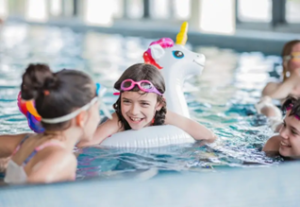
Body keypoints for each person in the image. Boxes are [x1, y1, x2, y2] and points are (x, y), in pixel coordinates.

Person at [0, 63, 102, 184]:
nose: (98, 118)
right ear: (82, 117)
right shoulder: (61, 159)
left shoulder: (25, 141)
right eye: (98, 110)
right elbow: (27, 201)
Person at [78, 63, 217, 147]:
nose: (134, 111)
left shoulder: (165, 116)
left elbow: (209, 136)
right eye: (127, 101)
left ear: (159, 104)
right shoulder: (117, 120)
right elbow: (85, 144)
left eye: (144, 103)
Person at [256, 40, 300, 131]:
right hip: (273, 127)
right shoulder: (272, 87)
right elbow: (268, 100)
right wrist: (293, 79)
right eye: (298, 56)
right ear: (286, 61)